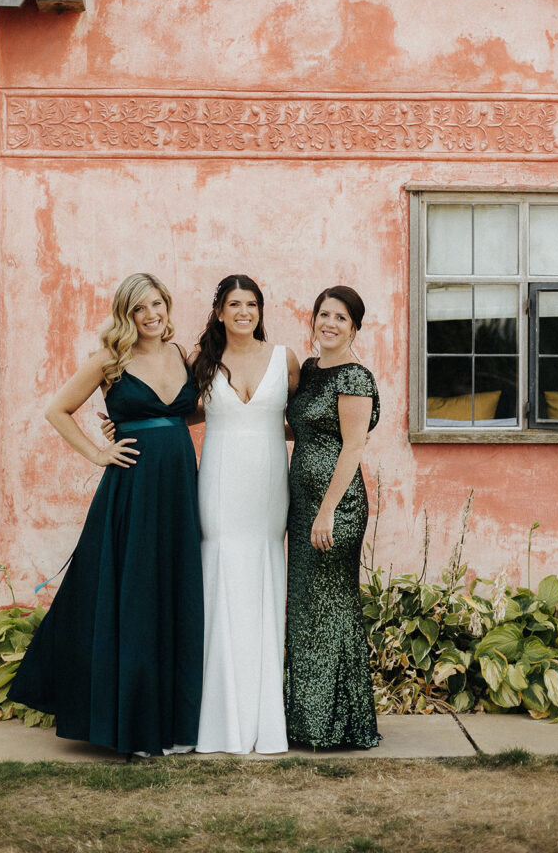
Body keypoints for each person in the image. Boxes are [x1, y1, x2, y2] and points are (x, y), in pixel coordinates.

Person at [8, 272, 204, 757]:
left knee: (170, 590)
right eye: (140, 308)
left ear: (167, 305)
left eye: (157, 304)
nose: (151, 315)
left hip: (179, 483)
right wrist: (98, 453)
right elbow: (57, 410)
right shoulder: (110, 360)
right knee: (133, 592)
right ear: (126, 314)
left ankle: (171, 718)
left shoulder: (182, 356)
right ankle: (131, 724)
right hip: (133, 489)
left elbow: (187, 413)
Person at [192, 274, 300, 754]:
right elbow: (185, 411)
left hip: (267, 490)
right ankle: (217, 721)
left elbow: (306, 417)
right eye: (234, 304)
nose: (243, 312)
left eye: (251, 304)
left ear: (260, 310)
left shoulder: (285, 359)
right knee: (220, 579)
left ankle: (262, 719)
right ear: (219, 312)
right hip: (219, 488)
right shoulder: (203, 362)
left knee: (263, 576)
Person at [285, 285, 381, 749]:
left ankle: (337, 723)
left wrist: (326, 510)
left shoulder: (354, 378)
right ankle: (309, 720)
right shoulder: (309, 371)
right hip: (303, 504)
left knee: (332, 608)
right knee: (308, 609)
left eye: (341, 318)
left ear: (354, 328)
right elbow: (296, 426)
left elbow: (353, 445)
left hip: (334, 508)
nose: (330, 323)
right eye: (324, 314)